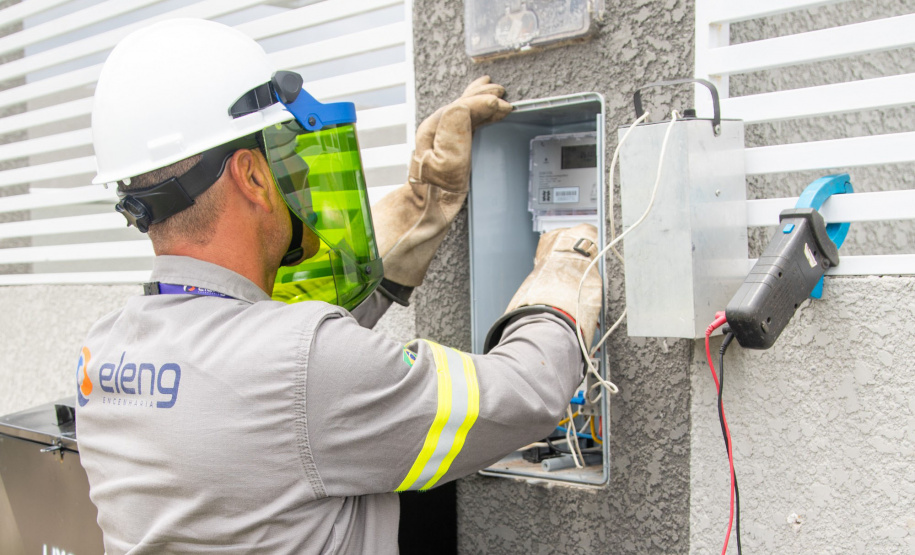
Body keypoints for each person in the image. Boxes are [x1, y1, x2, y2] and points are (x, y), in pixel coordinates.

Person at [75, 18, 601, 554]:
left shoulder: (103, 353)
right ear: (253, 176)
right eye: (287, 153)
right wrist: (566, 274)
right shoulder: (301, 365)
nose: (299, 170)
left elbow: (272, 359)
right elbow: (523, 396)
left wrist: (427, 199)